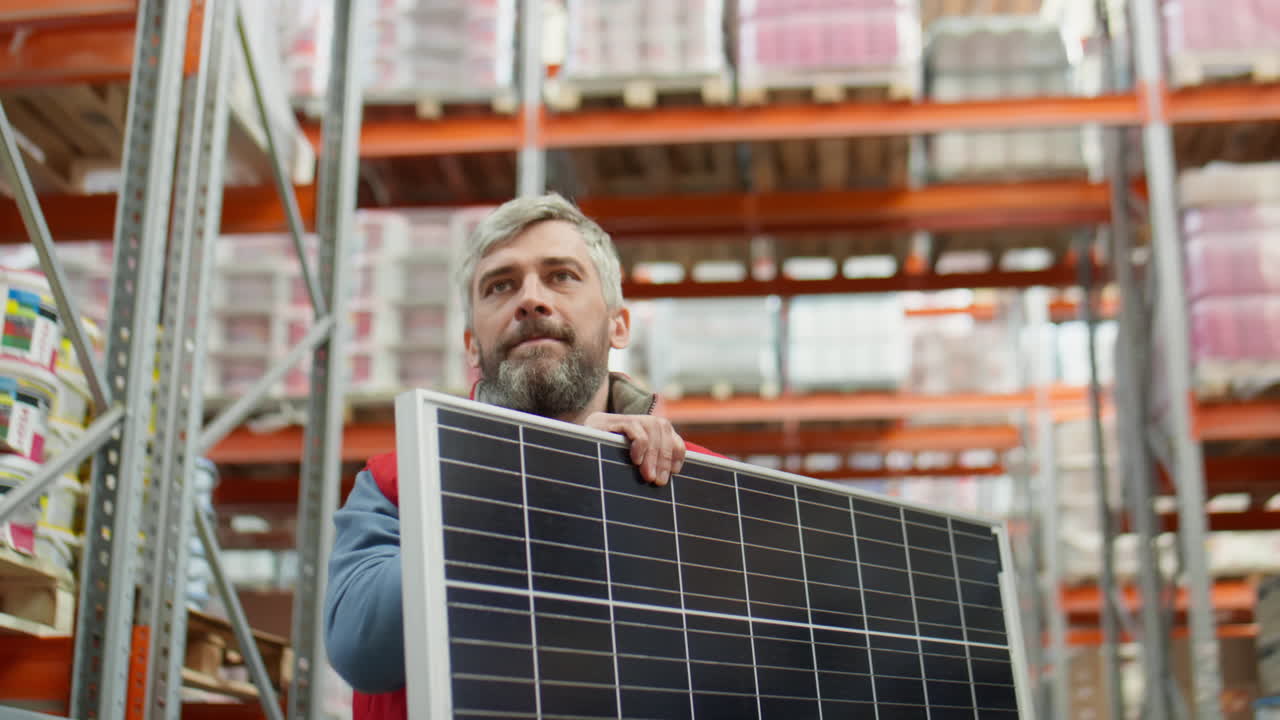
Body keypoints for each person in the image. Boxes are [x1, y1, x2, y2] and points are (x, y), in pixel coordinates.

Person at [324, 193, 719, 720]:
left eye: (561, 276)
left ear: (618, 324)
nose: (530, 300)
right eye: (501, 286)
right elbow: (361, 649)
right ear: (471, 344)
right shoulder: (399, 481)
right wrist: (543, 470)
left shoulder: (702, 484)